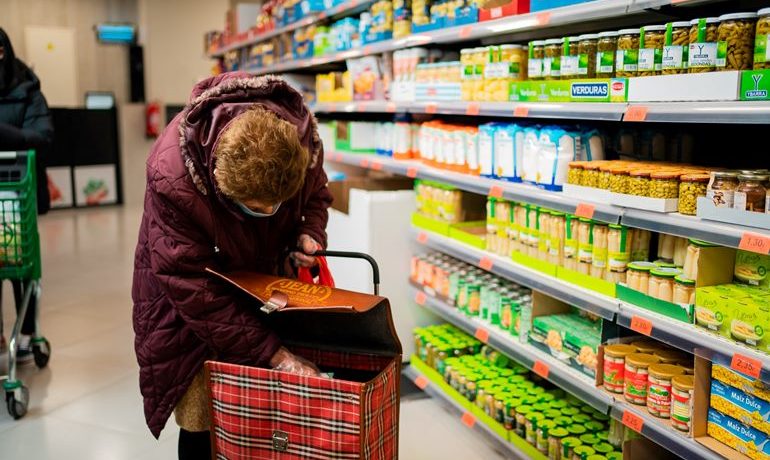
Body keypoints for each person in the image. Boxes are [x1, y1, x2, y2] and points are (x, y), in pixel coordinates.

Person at [131, 72, 333, 459]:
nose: (269, 214)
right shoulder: (173, 173)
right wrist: (274, 355)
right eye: (255, 209)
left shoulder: (302, 145)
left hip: (266, 287)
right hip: (191, 306)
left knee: (267, 415)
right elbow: (188, 281)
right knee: (202, 414)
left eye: (276, 205)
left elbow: (316, 196)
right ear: (220, 185)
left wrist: (309, 231)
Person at [0, 28, 53, 362]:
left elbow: (43, 136)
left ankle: (27, 332)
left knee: (20, 266)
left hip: (16, 195)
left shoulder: (26, 87)